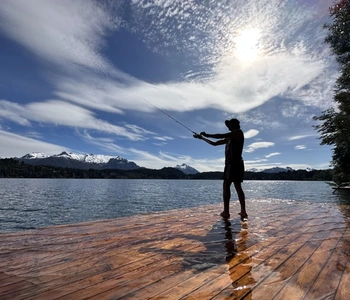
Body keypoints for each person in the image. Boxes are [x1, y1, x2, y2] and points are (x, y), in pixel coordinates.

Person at [194, 118, 247, 221]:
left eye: (229, 125)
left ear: (234, 125)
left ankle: (227, 212)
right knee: (236, 186)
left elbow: (221, 135)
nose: (228, 127)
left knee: (227, 186)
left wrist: (207, 134)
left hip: (233, 164)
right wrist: (202, 138)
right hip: (232, 164)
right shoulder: (229, 138)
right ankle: (241, 211)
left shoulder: (238, 133)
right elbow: (214, 144)